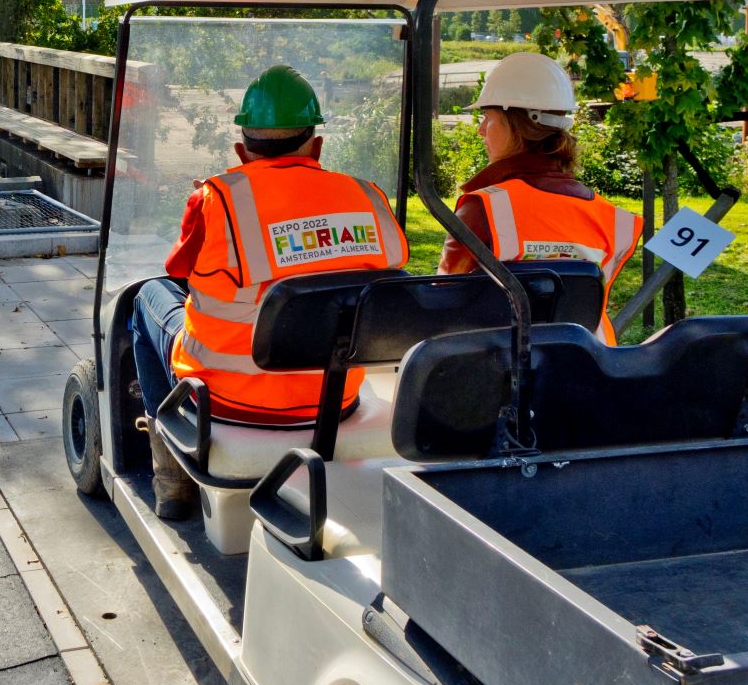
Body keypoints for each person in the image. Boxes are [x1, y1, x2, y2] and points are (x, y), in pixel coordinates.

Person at [130, 65, 408, 519]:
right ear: (317, 145)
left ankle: (171, 474)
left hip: (229, 401)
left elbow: (177, 271)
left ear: (242, 151)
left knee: (146, 299)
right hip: (334, 400)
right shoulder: (367, 197)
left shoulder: (216, 197)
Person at [438, 52, 640, 344]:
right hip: (587, 368)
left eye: (488, 118)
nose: (481, 130)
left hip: (497, 372)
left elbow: (443, 296)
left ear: (520, 126)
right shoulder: (616, 220)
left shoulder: (484, 208)